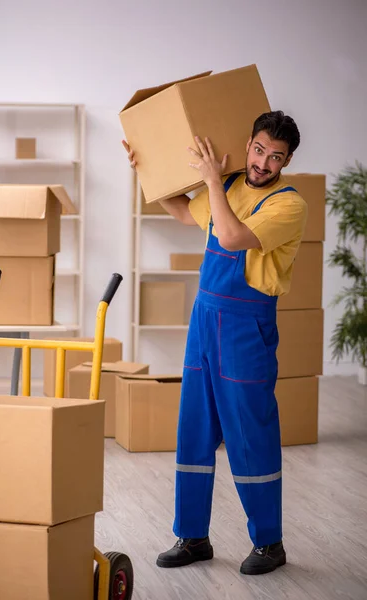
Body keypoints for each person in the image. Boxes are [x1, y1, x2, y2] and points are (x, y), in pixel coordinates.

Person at [122, 110, 307, 576]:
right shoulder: (228, 185)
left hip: (247, 326)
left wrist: (210, 180)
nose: (263, 163)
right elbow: (184, 211)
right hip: (205, 318)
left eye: (275, 158)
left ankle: (269, 542)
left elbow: (229, 234)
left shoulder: (289, 205)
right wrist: (148, 168)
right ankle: (192, 536)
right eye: (259, 150)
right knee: (195, 428)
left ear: (286, 163)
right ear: (248, 143)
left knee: (250, 433)